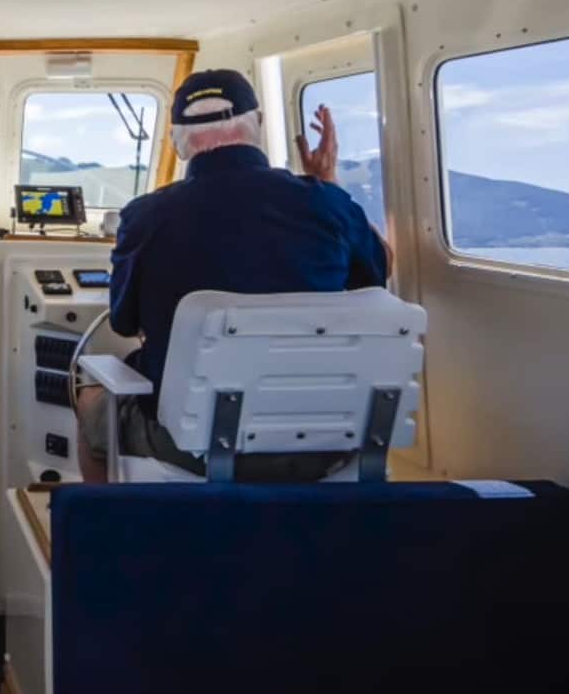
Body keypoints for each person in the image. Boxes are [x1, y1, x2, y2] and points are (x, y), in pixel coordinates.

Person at [76, 69, 390, 483]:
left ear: (177, 142)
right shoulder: (327, 204)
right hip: (325, 439)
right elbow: (379, 276)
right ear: (257, 124)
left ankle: (105, 523)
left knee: (90, 401)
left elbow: (124, 322)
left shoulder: (145, 218)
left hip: (190, 443)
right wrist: (327, 185)